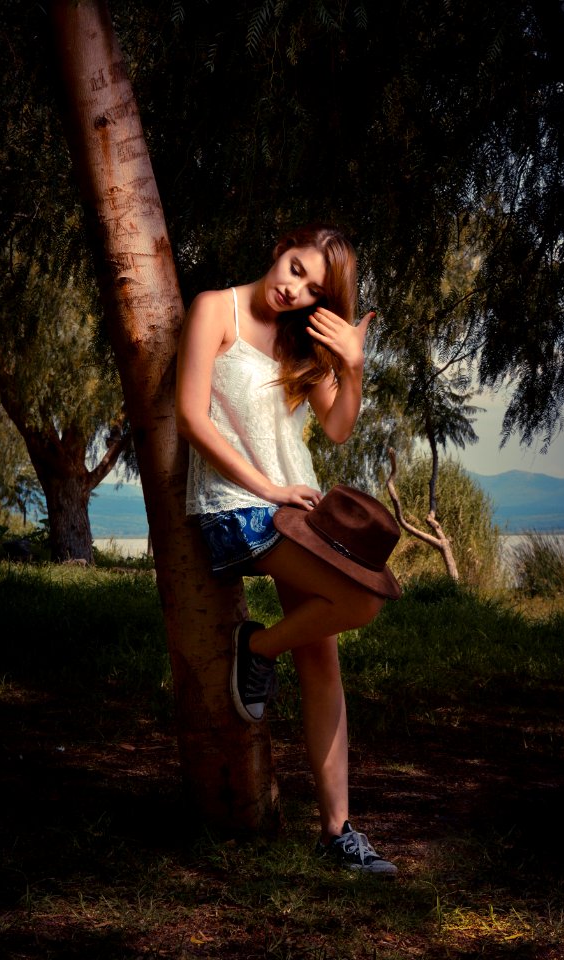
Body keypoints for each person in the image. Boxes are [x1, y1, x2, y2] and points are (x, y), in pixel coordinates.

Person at [176, 223, 401, 875]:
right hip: (236, 507)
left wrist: (352, 368)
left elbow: (335, 427)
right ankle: (258, 647)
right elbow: (192, 417)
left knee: (324, 668)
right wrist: (267, 486)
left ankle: (337, 834)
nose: (294, 288)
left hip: (297, 511)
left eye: (312, 289)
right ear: (281, 247)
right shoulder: (215, 308)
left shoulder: (304, 339)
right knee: (358, 601)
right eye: (296, 267)